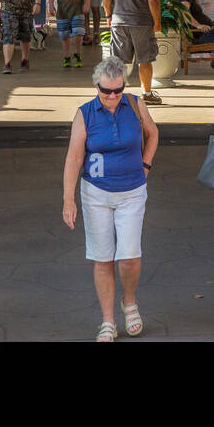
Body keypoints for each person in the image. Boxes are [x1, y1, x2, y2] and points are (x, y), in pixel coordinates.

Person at [61, 56, 158, 342]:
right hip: (96, 193)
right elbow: (74, 158)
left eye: (118, 90)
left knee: (129, 256)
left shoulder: (135, 105)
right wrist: (69, 199)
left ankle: (129, 302)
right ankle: (107, 320)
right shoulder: (85, 114)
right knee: (103, 257)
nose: (112, 97)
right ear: (96, 87)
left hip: (132, 191)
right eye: (106, 91)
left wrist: (146, 164)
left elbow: (153, 134)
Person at [102, 0, 164, 105]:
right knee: (144, 59)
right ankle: (147, 93)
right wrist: (157, 21)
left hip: (119, 22)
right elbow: (153, 0)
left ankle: (114, 93)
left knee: (118, 61)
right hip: (141, 23)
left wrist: (109, 15)